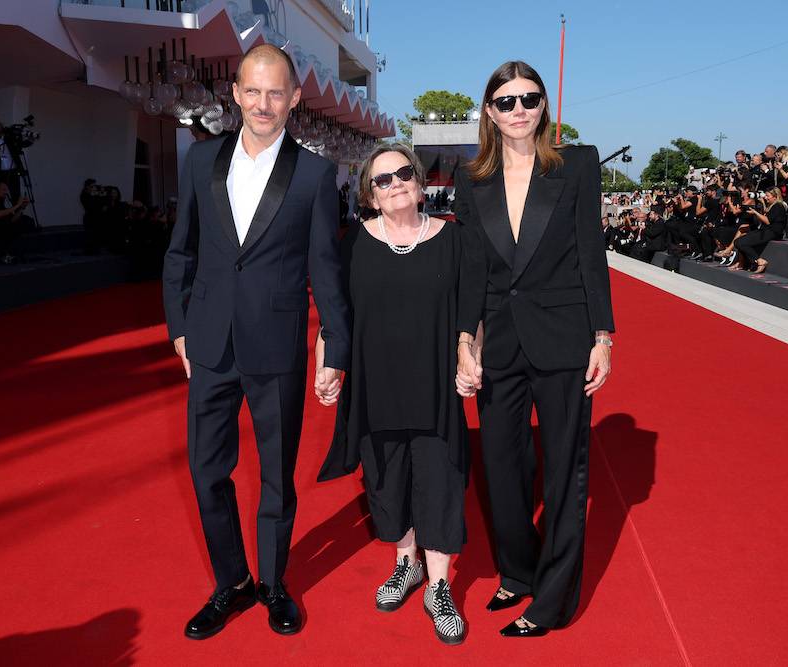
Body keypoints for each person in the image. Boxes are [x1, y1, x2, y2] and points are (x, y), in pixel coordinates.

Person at [161, 43, 351, 640]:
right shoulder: (200, 160)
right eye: (254, 91)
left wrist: (335, 347)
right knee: (205, 471)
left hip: (277, 345)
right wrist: (181, 328)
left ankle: (273, 584)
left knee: (275, 477)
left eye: (277, 93)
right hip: (211, 343)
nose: (264, 104)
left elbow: (327, 269)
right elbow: (180, 252)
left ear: (294, 98)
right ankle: (231, 583)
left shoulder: (317, 174)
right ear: (236, 94)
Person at [453, 60, 614, 637]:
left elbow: (590, 251)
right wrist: (464, 341)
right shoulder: (470, 177)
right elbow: (471, 267)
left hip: (565, 333)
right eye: (506, 101)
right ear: (489, 111)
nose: (519, 110)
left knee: (565, 474)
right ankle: (517, 572)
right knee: (500, 465)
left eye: (530, 98)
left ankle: (551, 600)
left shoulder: (575, 164)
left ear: (543, 105)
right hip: (500, 338)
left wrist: (603, 336)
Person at [317, 144, 476, 645]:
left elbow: (471, 312)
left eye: (404, 173)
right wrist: (326, 365)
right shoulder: (353, 244)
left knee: (440, 480)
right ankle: (405, 565)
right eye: (383, 179)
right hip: (374, 383)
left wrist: (470, 358)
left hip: (435, 385)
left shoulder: (453, 240)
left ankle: (439, 586)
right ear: (370, 193)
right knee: (385, 482)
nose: (396, 184)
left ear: (420, 180)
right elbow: (334, 316)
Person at [733, 187, 788, 273]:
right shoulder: (773, 206)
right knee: (738, 241)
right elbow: (767, 216)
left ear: (775, 196)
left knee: (740, 242)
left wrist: (755, 212)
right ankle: (748, 263)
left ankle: (760, 261)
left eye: (767, 196)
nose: (765, 197)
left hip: (772, 232)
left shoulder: (779, 206)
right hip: (766, 231)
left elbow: (767, 221)